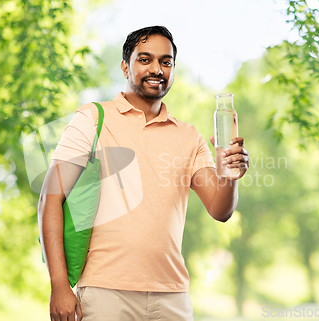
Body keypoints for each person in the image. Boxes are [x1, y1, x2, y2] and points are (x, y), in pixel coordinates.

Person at [38, 26, 249, 321]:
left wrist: (228, 175)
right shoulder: (92, 119)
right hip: (105, 293)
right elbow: (50, 198)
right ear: (126, 66)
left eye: (166, 62)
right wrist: (59, 284)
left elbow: (220, 210)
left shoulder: (189, 136)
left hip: (172, 296)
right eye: (145, 59)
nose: (157, 69)